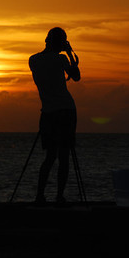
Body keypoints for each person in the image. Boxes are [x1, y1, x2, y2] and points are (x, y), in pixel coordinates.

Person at [29, 27, 80, 205]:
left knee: (50, 156)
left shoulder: (33, 60)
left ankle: (40, 196)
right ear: (60, 42)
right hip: (66, 110)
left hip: (48, 112)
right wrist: (69, 53)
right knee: (64, 156)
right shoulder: (61, 59)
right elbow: (77, 76)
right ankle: (59, 196)